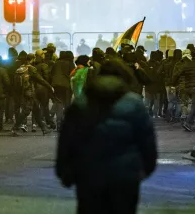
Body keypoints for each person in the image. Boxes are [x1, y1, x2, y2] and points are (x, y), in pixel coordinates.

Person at [56, 58, 157, 214]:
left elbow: (67, 141)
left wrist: (65, 173)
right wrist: (145, 169)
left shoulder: (81, 104)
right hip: (124, 177)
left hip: (89, 175)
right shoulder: (134, 104)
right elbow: (147, 142)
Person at [12, 53, 53, 136]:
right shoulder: (31, 69)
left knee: (36, 111)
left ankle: (44, 129)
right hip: (30, 92)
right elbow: (40, 79)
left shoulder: (20, 68)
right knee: (26, 112)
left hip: (24, 92)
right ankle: (15, 128)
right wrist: (49, 87)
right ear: (33, 59)